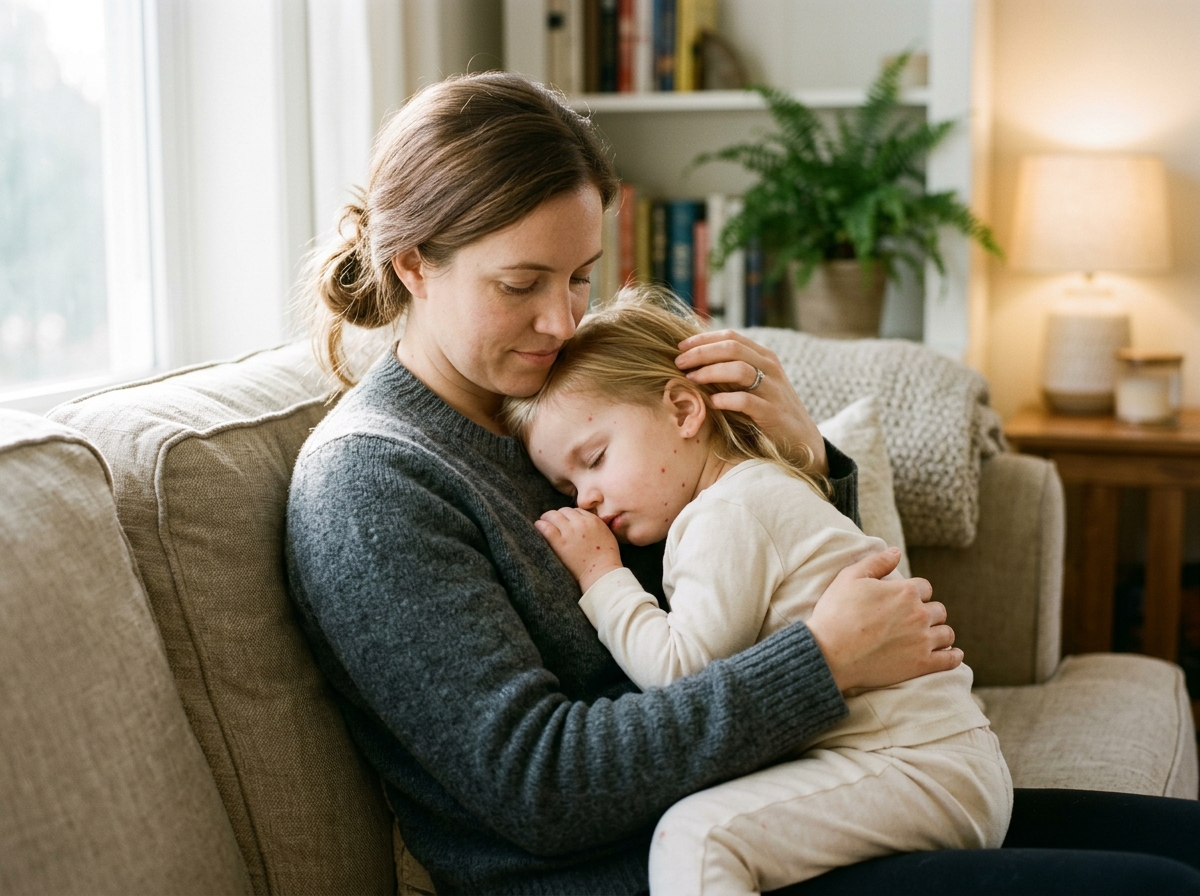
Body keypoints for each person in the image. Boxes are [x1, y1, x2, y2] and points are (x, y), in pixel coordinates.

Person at [284, 70, 1200, 895]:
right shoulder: (372, 484)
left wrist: (797, 459)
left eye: (580, 278)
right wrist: (826, 662)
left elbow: (735, 595)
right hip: (666, 864)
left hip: (790, 793)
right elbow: (541, 786)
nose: (562, 319)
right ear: (413, 266)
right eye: (521, 283)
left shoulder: (552, 398)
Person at [501, 291, 1012, 894]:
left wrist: (600, 576)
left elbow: (678, 672)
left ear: (684, 410)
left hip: (911, 765)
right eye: (566, 484)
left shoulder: (728, 514)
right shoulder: (753, 492)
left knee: (695, 839)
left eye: (596, 458)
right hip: (932, 759)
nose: (583, 498)